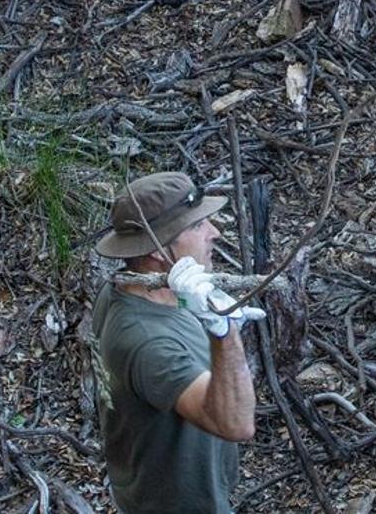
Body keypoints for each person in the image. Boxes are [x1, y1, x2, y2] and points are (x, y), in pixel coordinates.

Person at [90, 172, 262, 514]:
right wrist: (224, 330)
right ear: (156, 249)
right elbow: (237, 424)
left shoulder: (131, 290)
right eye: (198, 226)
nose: (215, 232)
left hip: (147, 484)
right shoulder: (147, 342)